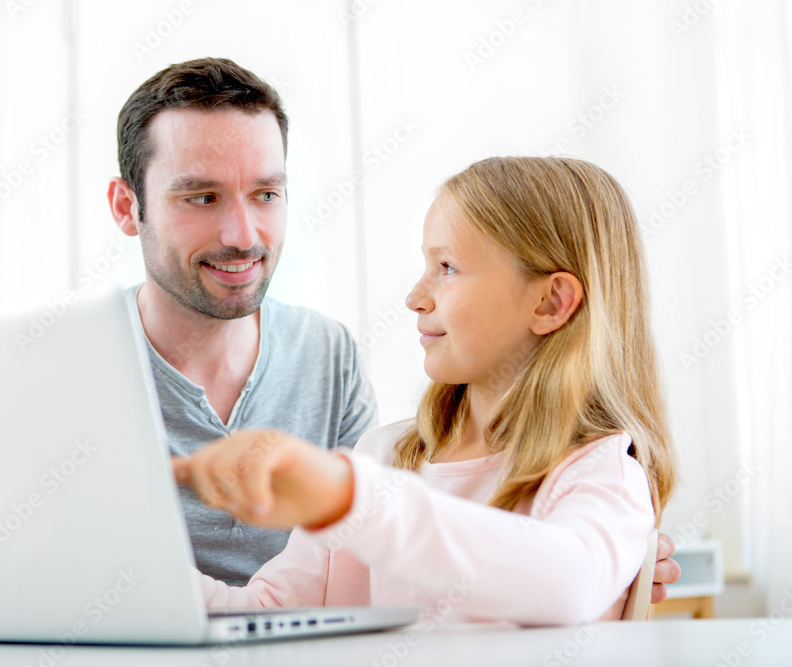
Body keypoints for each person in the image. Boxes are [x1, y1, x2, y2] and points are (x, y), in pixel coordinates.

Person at [173, 156, 679, 625]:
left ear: (549, 303)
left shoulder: (600, 475)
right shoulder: (382, 456)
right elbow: (269, 612)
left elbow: (566, 583)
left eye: (448, 268)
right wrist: (134, 580)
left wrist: (350, 498)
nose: (416, 298)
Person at [107, 57, 379, 586]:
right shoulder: (65, 364)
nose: (243, 235)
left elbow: (367, 564)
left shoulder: (328, 353)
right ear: (126, 206)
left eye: (265, 195)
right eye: (202, 197)